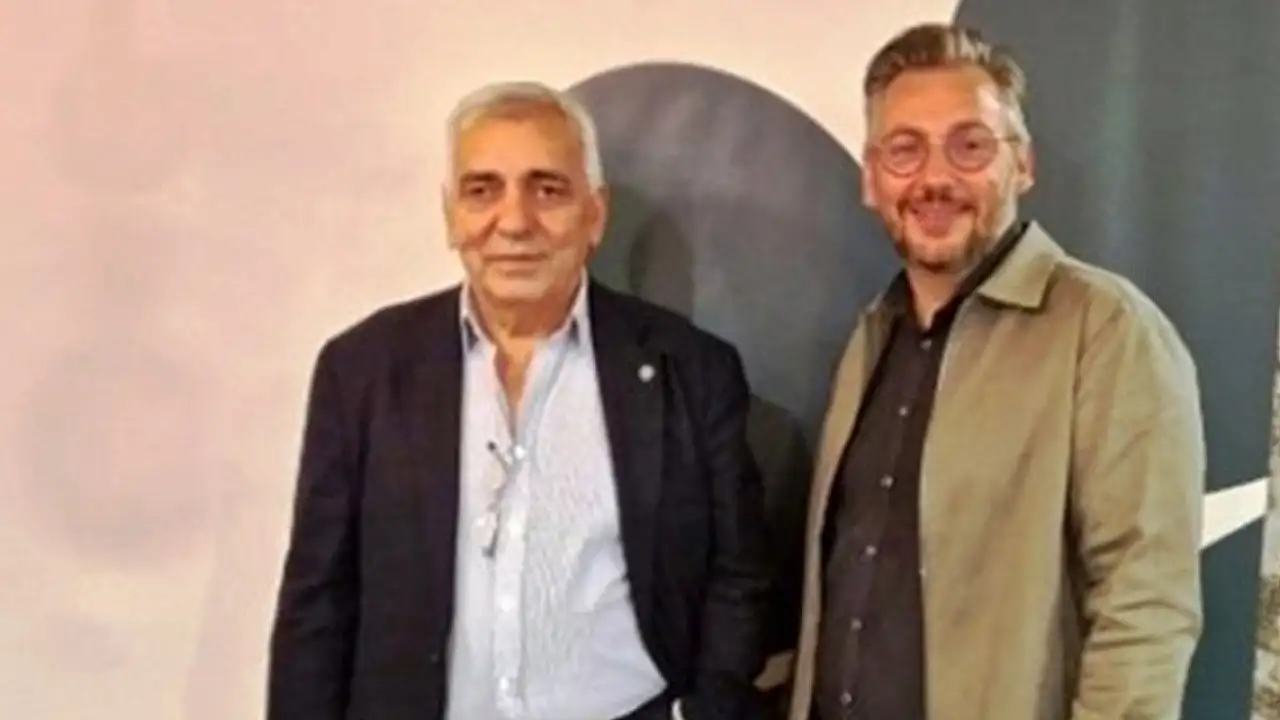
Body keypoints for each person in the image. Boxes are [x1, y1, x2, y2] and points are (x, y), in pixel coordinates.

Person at [267, 81, 772, 720]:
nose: (514, 222)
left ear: (595, 214)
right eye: (482, 190)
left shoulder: (692, 370)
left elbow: (739, 577)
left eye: (547, 189)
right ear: (450, 216)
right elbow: (318, 603)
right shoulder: (362, 371)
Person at [786, 23, 1205, 720]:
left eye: (970, 145)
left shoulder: (1107, 330)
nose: (935, 178)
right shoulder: (872, 337)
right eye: (905, 149)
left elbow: (1146, 605)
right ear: (871, 178)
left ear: (1023, 165)